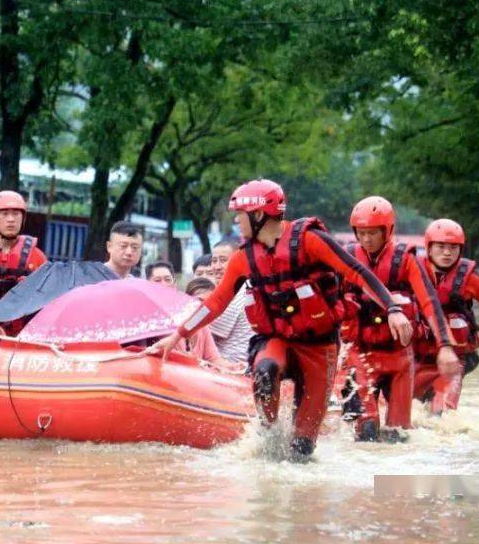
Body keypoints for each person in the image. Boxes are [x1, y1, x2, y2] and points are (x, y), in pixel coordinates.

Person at [148, 179, 410, 462]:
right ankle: (268, 436)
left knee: (302, 451)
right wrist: (178, 334)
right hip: (278, 340)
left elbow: (356, 271)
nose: (237, 221)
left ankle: (296, 449)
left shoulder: (310, 240)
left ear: (259, 215)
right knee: (265, 370)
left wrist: (392, 308)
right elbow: (215, 303)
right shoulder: (243, 258)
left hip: (319, 346)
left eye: (240, 215)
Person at [339, 196, 458, 441]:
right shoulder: (346, 258)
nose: (366, 239)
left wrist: (445, 345)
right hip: (359, 354)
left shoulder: (406, 260)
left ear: (388, 230)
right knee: (366, 431)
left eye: (373, 233)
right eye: (361, 233)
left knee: (399, 435)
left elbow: (429, 303)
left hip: (399, 357)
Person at [414, 219, 479, 413]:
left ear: (460, 249)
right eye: (441, 247)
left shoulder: (471, 279)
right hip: (416, 356)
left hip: (455, 360)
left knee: (442, 415)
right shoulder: (412, 270)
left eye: (453, 247)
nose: (447, 253)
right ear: (429, 248)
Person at [204, 238, 250, 364]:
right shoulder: (234, 288)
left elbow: (203, 328)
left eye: (223, 260)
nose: (217, 267)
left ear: (238, 262)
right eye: (214, 261)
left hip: (234, 367)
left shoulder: (240, 291)